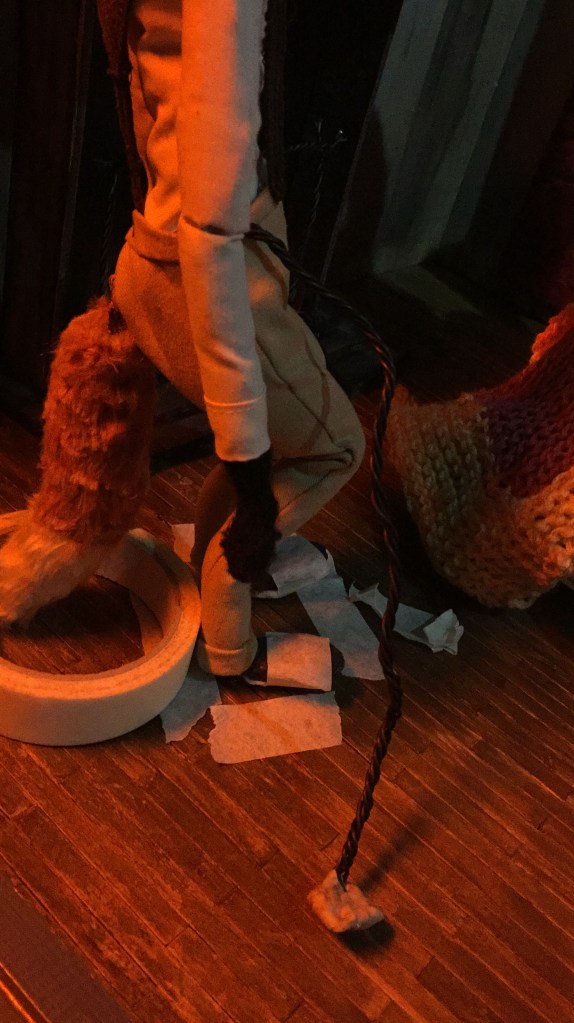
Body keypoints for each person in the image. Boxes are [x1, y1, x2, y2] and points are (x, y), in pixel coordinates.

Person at [97, 0, 365, 676]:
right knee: (334, 448)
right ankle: (228, 640)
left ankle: (199, 574)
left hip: (152, 254)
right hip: (214, 280)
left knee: (278, 441)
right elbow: (211, 237)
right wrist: (249, 483)